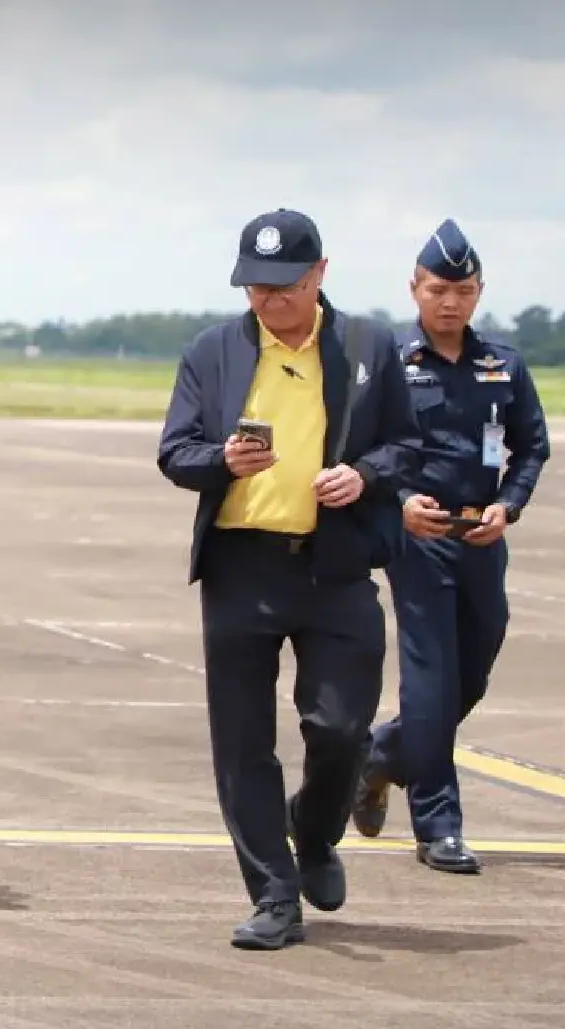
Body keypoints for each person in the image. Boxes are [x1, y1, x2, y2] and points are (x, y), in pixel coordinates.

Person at [157, 207, 420, 951]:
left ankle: (315, 830)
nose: (267, 302)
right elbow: (176, 450)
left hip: (333, 565)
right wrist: (222, 462)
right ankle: (274, 894)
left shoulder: (369, 347)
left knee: (340, 727)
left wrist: (362, 475)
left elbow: (408, 446)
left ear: (319, 276)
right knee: (242, 741)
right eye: (254, 288)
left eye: (282, 287)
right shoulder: (211, 353)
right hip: (241, 567)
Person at [353, 220, 550, 874]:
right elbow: (362, 451)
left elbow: (531, 445)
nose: (450, 302)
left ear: (479, 292)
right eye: (438, 288)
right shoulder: (389, 362)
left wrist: (509, 504)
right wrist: (400, 500)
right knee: (432, 681)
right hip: (420, 538)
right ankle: (439, 826)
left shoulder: (504, 365)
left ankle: (381, 754)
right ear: (415, 288)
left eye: (463, 290)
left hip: (483, 537)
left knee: (475, 666)